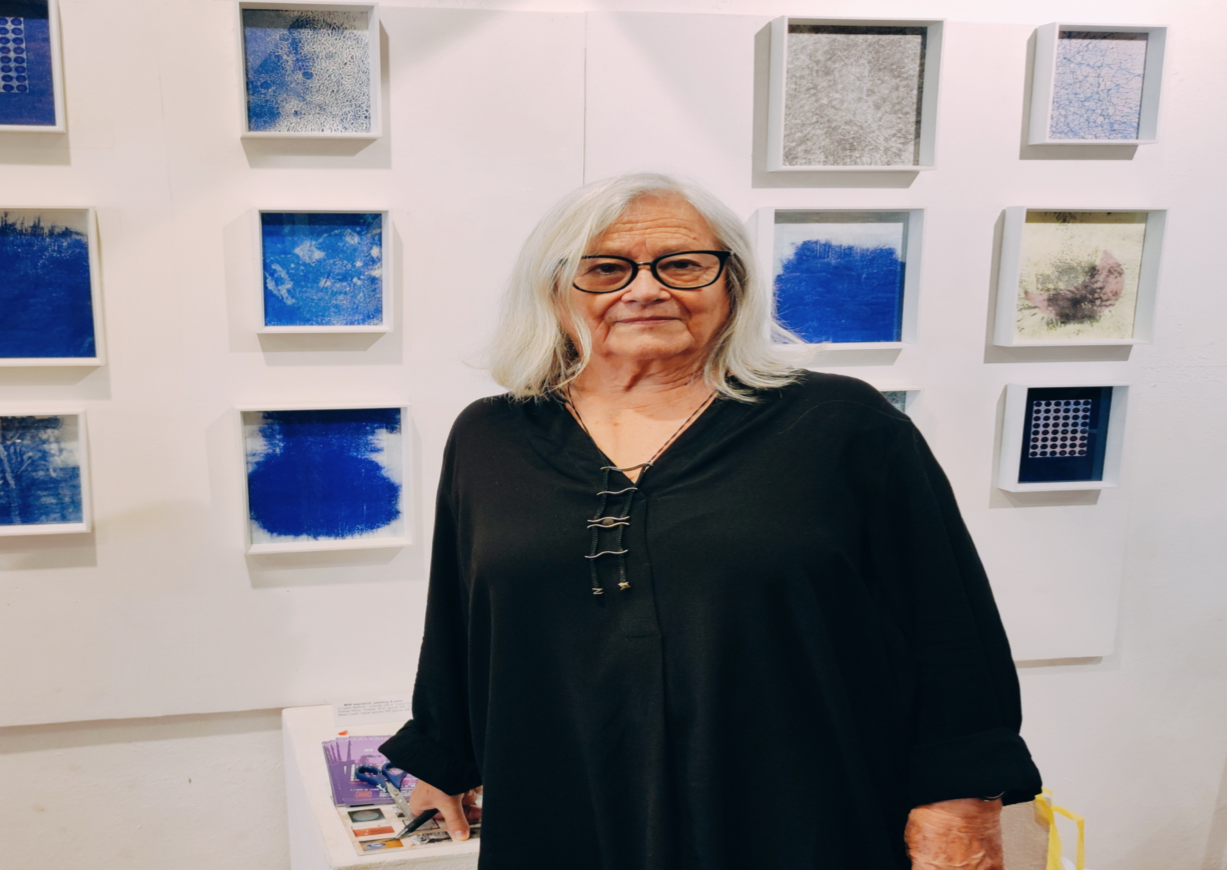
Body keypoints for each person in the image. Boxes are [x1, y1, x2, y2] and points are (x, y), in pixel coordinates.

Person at [380, 172, 1042, 869]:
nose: (645, 290)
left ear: (733, 283)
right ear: (554, 289)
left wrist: (961, 806)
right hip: (563, 805)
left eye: (683, 264)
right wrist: (442, 756)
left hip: (799, 812)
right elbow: (459, 614)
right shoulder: (492, 435)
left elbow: (948, 627)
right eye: (604, 269)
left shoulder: (843, 426)